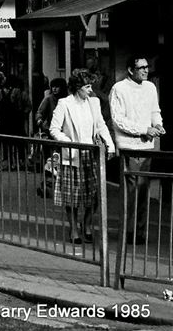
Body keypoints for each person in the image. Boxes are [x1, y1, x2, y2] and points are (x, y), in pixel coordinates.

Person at [49, 69, 116, 244]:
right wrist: (68, 142)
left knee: (93, 195)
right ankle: (73, 228)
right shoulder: (65, 103)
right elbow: (54, 129)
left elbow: (101, 125)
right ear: (77, 87)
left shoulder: (93, 102)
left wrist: (110, 145)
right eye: (87, 86)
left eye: (90, 86)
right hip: (72, 155)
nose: (90, 89)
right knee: (72, 195)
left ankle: (86, 224)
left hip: (91, 154)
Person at [110, 56, 165, 245]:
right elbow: (118, 119)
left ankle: (140, 232)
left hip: (146, 146)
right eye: (141, 67)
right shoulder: (119, 89)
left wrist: (158, 125)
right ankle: (127, 232)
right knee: (130, 190)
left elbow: (154, 111)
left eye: (147, 67)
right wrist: (143, 129)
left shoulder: (150, 88)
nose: (145, 70)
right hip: (129, 146)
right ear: (130, 70)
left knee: (143, 190)